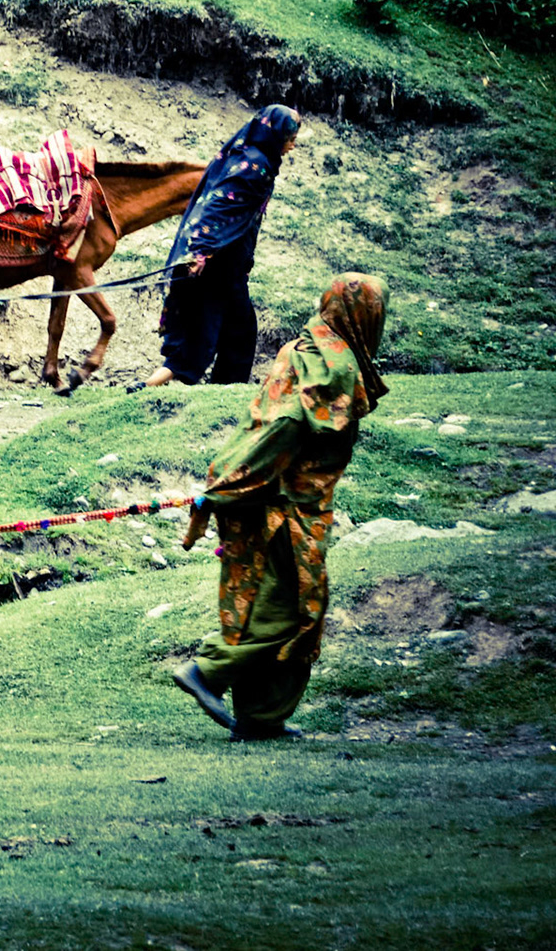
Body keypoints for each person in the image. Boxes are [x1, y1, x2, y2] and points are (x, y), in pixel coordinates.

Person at [171, 273, 389, 741]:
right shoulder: (334, 367)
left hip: (268, 499)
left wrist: (228, 481)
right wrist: (234, 482)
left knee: (263, 607)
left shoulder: (305, 347)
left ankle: (260, 720)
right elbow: (285, 427)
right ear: (365, 315)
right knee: (291, 613)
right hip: (286, 509)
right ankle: (207, 672)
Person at [136, 104, 301, 391]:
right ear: (275, 134)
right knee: (206, 340)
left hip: (227, 265)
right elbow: (216, 208)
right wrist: (200, 251)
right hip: (218, 266)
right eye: (290, 137)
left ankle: (223, 391)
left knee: (236, 331)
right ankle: (147, 388)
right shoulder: (255, 166)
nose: (293, 145)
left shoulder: (246, 154)